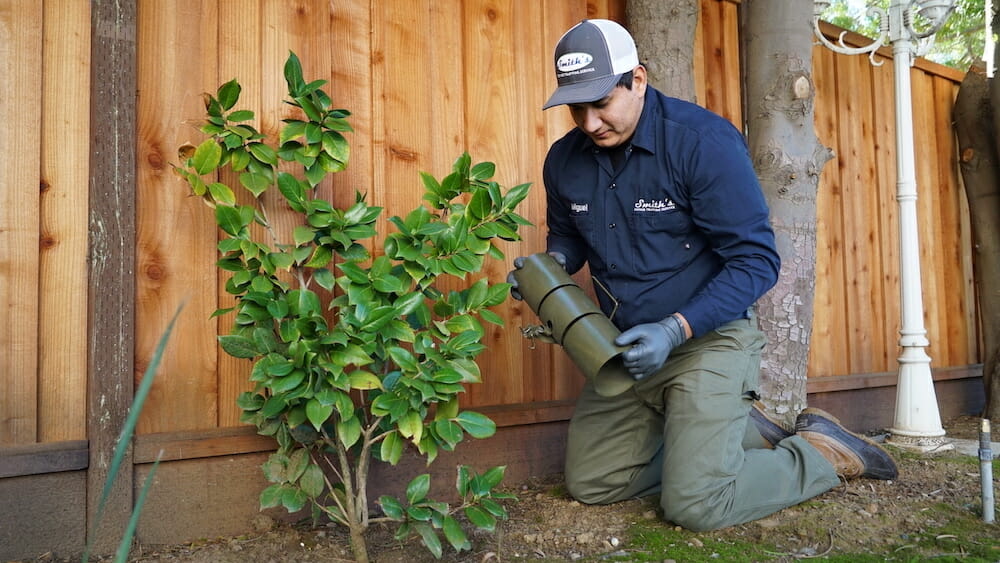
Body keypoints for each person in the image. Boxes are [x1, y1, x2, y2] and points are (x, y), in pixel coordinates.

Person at [508, 19, 897, 532]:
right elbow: (569, 239)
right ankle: (717, 442)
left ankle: (821, 454)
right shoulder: (563, 160)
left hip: (707, 341)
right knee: (593, 484)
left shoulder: (702, 142)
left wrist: (675, 329)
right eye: (576, 108)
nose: (590, 122)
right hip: (623, 351)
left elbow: (758, 261)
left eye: (601, 103)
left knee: (696, 506)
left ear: (638, 80)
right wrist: (552, 269)